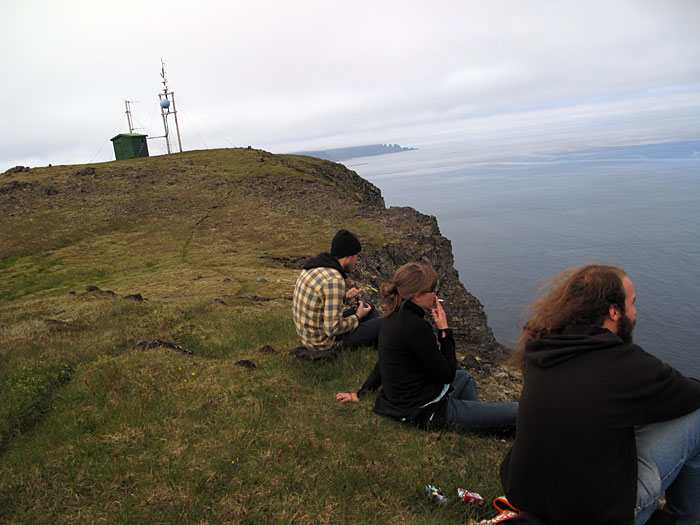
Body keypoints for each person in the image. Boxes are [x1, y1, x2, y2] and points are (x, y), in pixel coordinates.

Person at [499, 264, 700, 525]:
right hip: (595, 515)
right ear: (614, 312)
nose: (636, 311)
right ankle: (686, 518)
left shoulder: (542, 349)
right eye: (632, 303)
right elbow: (692, 394)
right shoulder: (625, 364)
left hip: (529, 499)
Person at [336, 262, 517, 434]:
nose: (436, 296)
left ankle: (477, 423)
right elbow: (447, 374)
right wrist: (444, 331)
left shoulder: (391, 318)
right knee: (519, 412)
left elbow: (384, 362)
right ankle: (475, 421)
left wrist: (361, 392)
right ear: (417, 296)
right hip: (425, 410)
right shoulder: (416, 327)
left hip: (403, 402)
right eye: (432, 291)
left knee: (467, 378)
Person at [292, 229, 381, 358]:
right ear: (349, 256)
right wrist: (357, 317)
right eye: (356, 256)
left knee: (369, 307)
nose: (357, 262)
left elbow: (319, 300)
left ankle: (375, 350)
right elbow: (332, 329)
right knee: (384, 322)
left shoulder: (314, 267)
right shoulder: (334, 280)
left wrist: (344, 297)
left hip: (309, 336)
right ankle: (381, 352)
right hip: (324, 344)